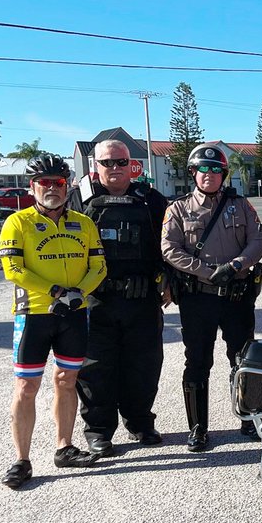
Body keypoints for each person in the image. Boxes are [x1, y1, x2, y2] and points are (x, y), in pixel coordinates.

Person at [0, 155, 108, 489]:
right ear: (32, 187)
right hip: (33, 314)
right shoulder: (18, 222)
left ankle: (64, 448)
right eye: (44, 182)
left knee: (67, 379)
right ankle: (22, 459)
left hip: (73, 313)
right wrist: (56, 291)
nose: (51, 188)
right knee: (27, 387)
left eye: (57, 183)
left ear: (68, 186)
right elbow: (12, 269)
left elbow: (99, 267)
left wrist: (79, 294)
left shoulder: (83, 223)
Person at [161, 143, 262, 451]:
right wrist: (206, 271)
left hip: (236, 295)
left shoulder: (241, 205)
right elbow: (169, 249)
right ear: (192, 173)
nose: (210, 175)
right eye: (203, 170)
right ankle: (198, 427)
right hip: (199, 298)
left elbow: (258, 239)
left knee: (243, 357)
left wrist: (236, 265)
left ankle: (250, 419)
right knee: (197, 361)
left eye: (216, 170)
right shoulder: (178, 208)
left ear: (224, 174)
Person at [67, 138, 169, 455]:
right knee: (96, 369)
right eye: (107, 162)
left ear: (131, 166)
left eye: (121, 162)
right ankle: (98, 430)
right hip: (95, 300)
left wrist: (167, 281)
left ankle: (140, 422)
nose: (114, 168)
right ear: (95, 166)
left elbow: (168, 246)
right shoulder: (77, 199)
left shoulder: (151, 200)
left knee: (144, 366)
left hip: (142, 298)